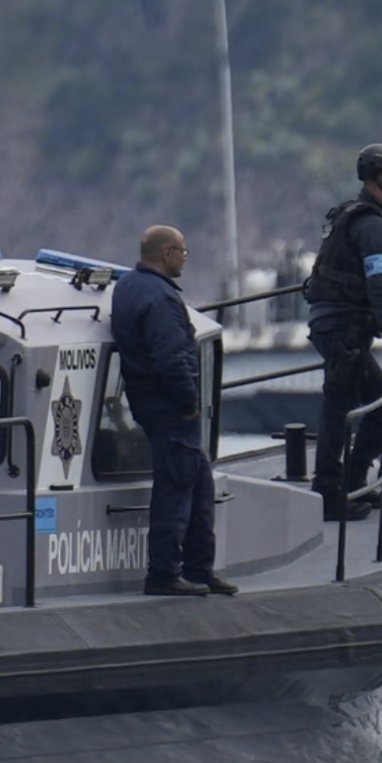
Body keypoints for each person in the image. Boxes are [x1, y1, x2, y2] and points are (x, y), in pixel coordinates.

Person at [110, 224, 236, 598]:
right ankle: (164, 574)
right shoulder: (161, 298)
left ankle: (199, 568)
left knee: (199, 483)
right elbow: (171, 358)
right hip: (169, 409)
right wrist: (189, 405)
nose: (184, 258)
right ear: (166, 254)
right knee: (176, 488)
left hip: (149, 403)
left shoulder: (128, 286)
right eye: (182, 252)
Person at [307, 142, 382, 520]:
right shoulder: (371, 224)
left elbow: (373, 282)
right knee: (348, 409)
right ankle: (332, 493)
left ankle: (351, 485)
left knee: (362, 407)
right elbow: (377, 282)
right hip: (342, 331)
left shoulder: (360, 216)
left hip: (339, 326)